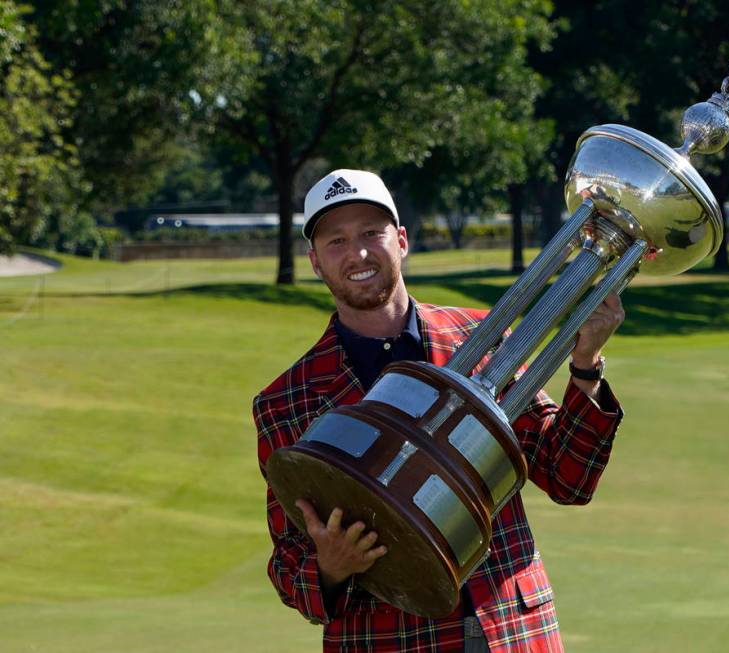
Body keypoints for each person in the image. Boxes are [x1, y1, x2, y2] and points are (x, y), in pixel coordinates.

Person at [254, 169, 626, 652]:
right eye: (337, 240)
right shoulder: (287, 399)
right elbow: (289, 568)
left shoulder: (481, 337)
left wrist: (586, 364)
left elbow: (568, 477)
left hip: (510, 632)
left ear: (402, 240)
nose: (359, 253)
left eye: (372, 232)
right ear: (315, 261)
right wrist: (330, 566)